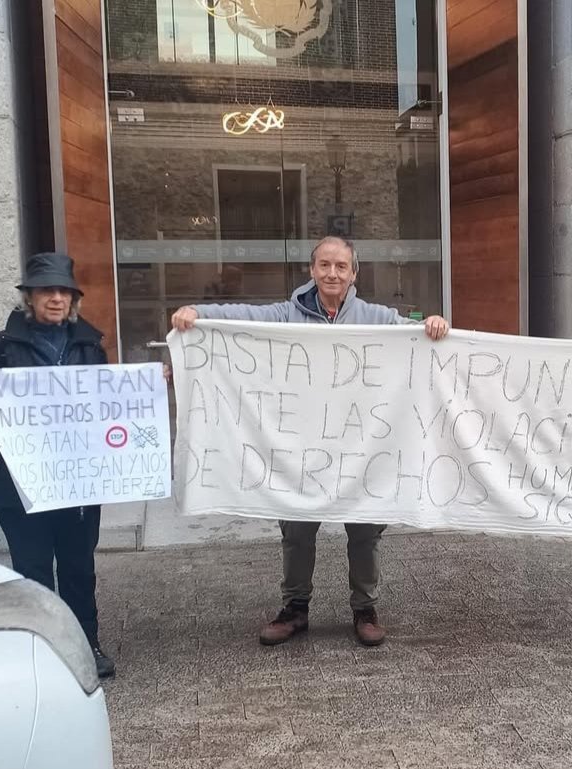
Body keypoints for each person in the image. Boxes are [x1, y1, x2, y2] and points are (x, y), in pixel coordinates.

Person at [171, 236, 449, 647]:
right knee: (297, 532)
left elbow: (414, 334)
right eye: (324, 265)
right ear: (312, 269)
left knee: (365, 531)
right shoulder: (288, 314)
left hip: (360, 448)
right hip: (301, 450)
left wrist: (433, 323)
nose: (332, 273)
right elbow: (243, 317)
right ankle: (295, 609)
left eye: (341, 266)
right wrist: (199, 314)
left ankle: (365, 609)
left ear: (353, 273)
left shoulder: (374, 317)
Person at [0, 252, 116, 678]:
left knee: (79, 567)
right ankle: (42, 650)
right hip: (19, 483)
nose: (56, 298)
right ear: (29, 297)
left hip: (76, 480)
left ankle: (86, 644)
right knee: (32, 569)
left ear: (74, 300)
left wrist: (149, 390)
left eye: (64, 291)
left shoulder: (89, 346)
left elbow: (108, 406)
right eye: (47, 291)